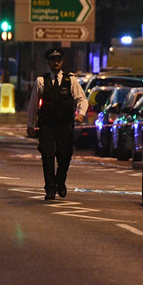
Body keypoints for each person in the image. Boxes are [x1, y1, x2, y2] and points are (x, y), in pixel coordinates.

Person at [26, 47, 88, 200]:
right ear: (49, 62)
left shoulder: (70, 80)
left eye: (59, 59)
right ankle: (50, 188)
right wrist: (30, 124)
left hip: (65, 124)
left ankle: (60, 181)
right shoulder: (41, 81)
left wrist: (81, 114)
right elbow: (33, 104)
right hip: (47, 124)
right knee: (47, 155)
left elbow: (82, 99)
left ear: (62, 61)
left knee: (64, 155)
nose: (56, 62)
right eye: (53, 60)